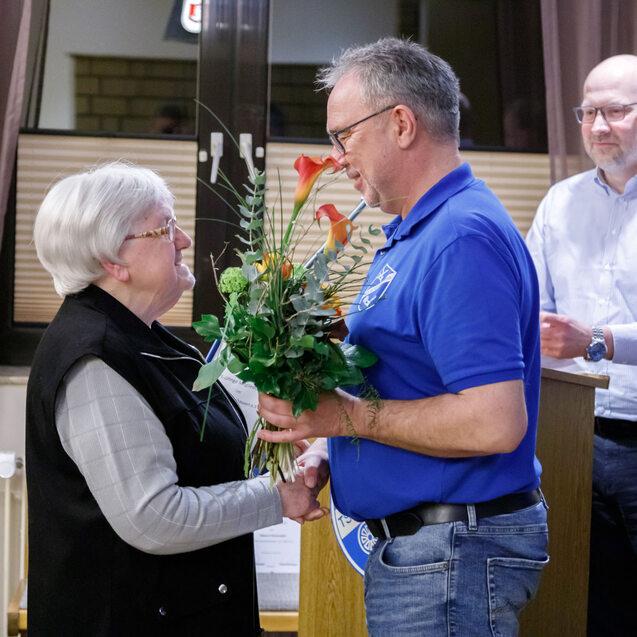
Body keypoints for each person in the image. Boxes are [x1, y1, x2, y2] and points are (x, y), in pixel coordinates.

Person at [258, 37, 548, 636]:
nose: (337, 159)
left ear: (401, 124)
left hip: (450, 554)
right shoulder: (419, 231)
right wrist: (332, 446)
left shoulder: (459, 238)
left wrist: (345, 419)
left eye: (343, 136)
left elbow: (493, 422)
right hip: (432, 552)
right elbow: (409, 382)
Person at [26, 162, 323, 636]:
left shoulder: (146, 337)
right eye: (164, 229)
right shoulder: (94, 358)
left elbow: (194, 447)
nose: (183, 240)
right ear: (112, 260)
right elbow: (154, 517)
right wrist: (278, 496)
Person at [526, 54, 637, 635]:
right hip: (572, 433)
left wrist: (597, 339)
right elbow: (531, 310)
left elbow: (579, 335)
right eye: (588, 112)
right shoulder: (560, 202)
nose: (598, 126)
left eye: (615, 111)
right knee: (586, 603)